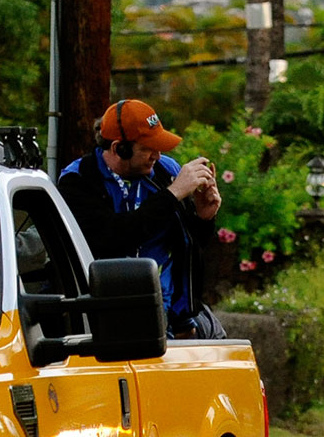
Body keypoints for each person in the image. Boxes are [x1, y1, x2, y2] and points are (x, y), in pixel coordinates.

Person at [58, 99, 223, 338]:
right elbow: (111, 237)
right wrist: (173, 194)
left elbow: (190, 244)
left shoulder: (166, 171)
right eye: (148, 147)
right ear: (118, 149)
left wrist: (203, 216)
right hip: (113, 314)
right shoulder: (79, 179)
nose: (157, 155)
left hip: (173, 311)